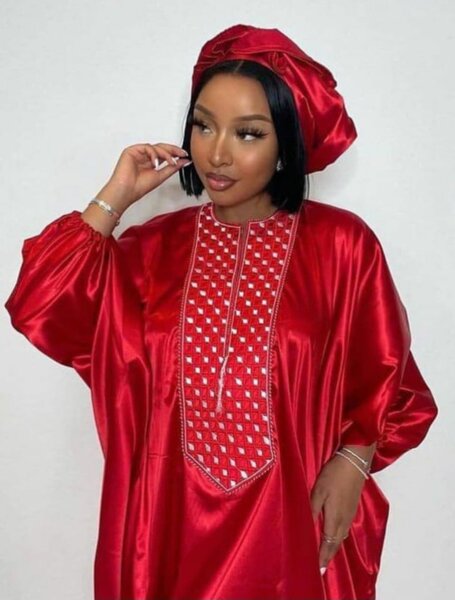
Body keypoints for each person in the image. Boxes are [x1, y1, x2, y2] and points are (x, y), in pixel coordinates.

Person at [4, 23, 438, 600]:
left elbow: (391, 381)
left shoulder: (343, 247)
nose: (217, 152)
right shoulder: (149, 251)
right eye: (203, 125)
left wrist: (353, 463)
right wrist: (116, 195)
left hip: (290, 525)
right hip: (164, 528)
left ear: (286, 143)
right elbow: (42, 299)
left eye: (249, 133)